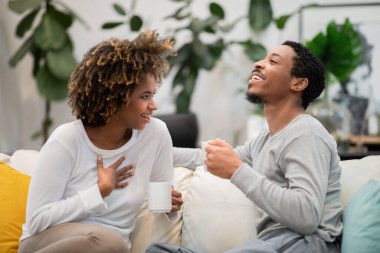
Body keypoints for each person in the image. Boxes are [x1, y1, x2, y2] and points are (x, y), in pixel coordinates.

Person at [149, 41, 343, 252]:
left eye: (273, 61)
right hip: (269, 245)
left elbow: (307, 216)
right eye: (263, 59)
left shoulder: (307, 132)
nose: (258, 63)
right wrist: (147, 152)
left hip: (306, 244)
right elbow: (203, 157)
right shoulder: (263, 141)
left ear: (298, 83)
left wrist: (236, 171)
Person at [18, 30, 183, 253]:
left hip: (111, 248)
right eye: (145, 97)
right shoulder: (67, 140)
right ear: (115, 100)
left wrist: (168, 205)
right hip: (48, 244)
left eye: (153, 95)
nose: (154, 105)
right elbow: (37, 220)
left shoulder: (156, 133)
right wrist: (99, 191)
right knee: (109, 242)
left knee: (112, 243)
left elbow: (159, 200)